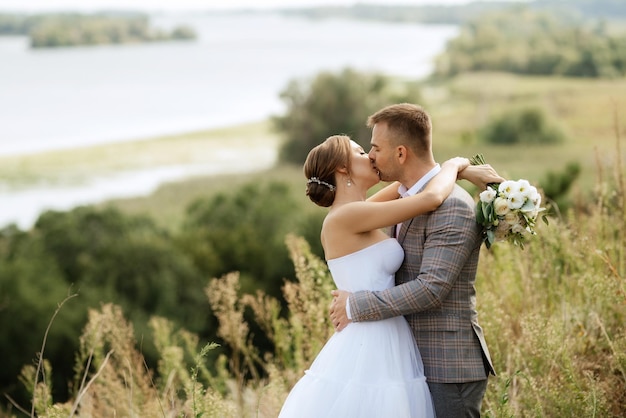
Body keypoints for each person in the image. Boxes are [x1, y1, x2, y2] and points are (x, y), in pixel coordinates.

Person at [278, 133, 503, 418]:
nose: (370, 156)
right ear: (343, 168)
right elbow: (431, 197)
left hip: (390, 333)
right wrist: (457, 163)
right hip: (372, 338)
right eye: (360, 152)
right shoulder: (346, 217)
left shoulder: (361, 210)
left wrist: (462, 171)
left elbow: (411, 183)